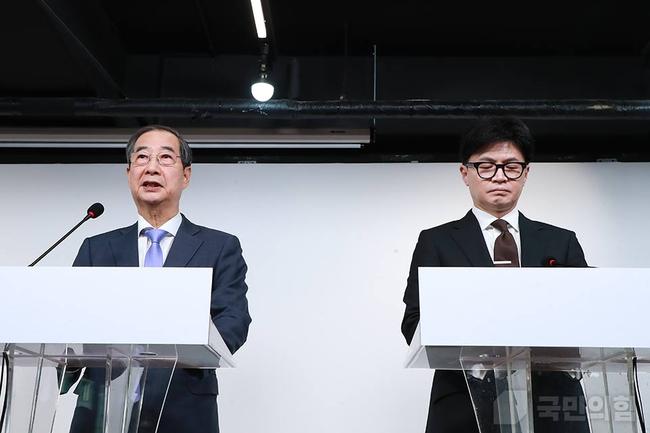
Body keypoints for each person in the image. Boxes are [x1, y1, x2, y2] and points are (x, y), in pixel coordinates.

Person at [401, 117, 589, 433]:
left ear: (526, 173)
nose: (499, 176)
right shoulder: (437, 241)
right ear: (465, 173)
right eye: (486, 166)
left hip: (552, 402)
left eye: (511, 167)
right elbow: (414, 323)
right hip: (465, 402)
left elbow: (587, 319)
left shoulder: (561, 241)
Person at [70, 125, 251, 433]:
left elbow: (233, 321)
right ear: (129, 172)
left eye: (165, 158)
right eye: (142, 157)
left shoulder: (219, 247)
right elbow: (69, 323)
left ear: (186, 175)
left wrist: (186, 347)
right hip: (102, 409)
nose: (151, 167)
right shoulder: (96, 248)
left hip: (184, 410)